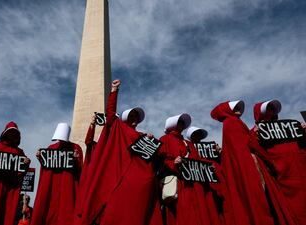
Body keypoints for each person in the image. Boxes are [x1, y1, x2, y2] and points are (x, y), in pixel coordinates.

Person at [74, 79, 163, 225]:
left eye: (136, 116)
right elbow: (110, 114)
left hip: (142, 181)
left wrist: (151, 141)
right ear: (125, 118)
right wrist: (114, 91)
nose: (135, 118)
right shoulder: (118, 128)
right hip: (122, 177)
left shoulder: (143, 135)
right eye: (132, 115)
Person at [211, 100, 295, 225]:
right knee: (260, 200)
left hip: (255, 165)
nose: (238, 108)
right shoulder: (233, 122)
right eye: (234, 107)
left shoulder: (232, 123)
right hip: (251, 166)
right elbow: (247, 144)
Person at [249, 100, 306, 224]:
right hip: (279, 178)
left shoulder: (290, 129)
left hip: (300, 174)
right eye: (268, 108)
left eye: (272, 108)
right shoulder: (254, 134)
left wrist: (303, 134)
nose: (271, 111)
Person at [158, 114, 221, 225]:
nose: (182, 124)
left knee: (198, 211)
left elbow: (197, 159)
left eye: (182, 122)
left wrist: (210, 164)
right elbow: (159, 160)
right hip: (179, 182)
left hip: (194, 183)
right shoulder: (165, 139)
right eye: (179, 122)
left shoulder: (189, 143)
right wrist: (173, 162)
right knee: (183, 212)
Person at [30, 122, 83, 225]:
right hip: (52, 187)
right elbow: (45, 169)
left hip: (68, 187)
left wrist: (76, 159)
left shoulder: (76, 148)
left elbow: (80, 170)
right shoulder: (51, 147)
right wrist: (41, 159)